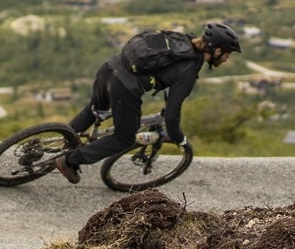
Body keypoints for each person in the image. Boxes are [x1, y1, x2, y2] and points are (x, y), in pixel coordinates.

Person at [53, 22, 240, 184]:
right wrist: (177, 137)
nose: (227, 58)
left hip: (110, 68)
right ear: (217, 50)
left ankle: (57, 145)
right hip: (124, 87)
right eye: (227, 53)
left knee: (95, 109)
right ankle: (70, 161)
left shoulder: (180, 41)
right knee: (124, 138)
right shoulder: (189, 70)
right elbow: (172, 114)